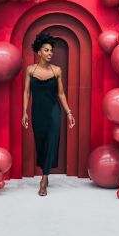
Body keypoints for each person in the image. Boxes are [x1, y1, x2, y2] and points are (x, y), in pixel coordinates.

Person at [22, 32, 76, 196]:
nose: (50, 53)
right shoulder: (30, 70)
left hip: (54, 111)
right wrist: (24, 112)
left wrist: (68, 113)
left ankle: (44, 180)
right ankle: (45, 171)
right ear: (39, 52)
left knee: (52, 141)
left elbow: (61, 93)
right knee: (41, 142)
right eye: (46, 50)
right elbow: (26, 92)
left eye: (51, 50)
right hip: (37, 112)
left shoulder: (57, 70)